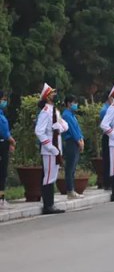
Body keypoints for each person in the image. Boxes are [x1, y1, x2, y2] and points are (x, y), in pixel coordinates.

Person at [35, 83, 68, 215]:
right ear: (47, 97)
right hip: (49, 150)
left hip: (57, 147)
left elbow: (65, 126)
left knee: (52, 176)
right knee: (48, 177)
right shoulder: (45, 112)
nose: (55, 95)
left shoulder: (55, 111)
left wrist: (58, 128)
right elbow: (39, 131)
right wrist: (50, 146)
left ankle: (51, 203)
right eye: (52, 93)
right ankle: (47, 205)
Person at [61, 95, 85, 200]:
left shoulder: (72, 115)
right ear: (69, 103)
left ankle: (72, 190)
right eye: (74, 102)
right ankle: (70, 190)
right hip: (71, 141)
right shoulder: (66, 115)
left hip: (76, 141)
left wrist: (81, 139)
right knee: (69, 168)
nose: (76, 105)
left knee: (73, 167)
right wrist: (79, 141)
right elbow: (71, 130)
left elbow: (77, 129)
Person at [0, 91, 16, 209]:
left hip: (4, 144)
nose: (4, 102)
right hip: (2, 145)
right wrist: (11, 140)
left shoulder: (2, 114)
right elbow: (4, 132)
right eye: (3, 99)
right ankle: (1, 200)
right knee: (2, 173)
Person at [99, 91, 112, 190]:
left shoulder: (112, 108)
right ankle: (107, 183)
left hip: (113, 136)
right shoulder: (105, 110)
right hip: (108, 136)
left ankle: (111, 182)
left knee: (112, 161)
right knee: (108, 160)